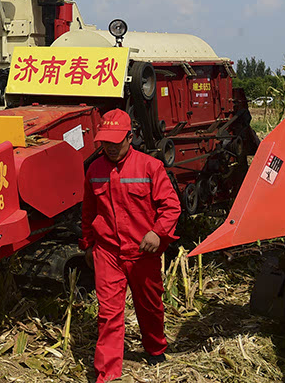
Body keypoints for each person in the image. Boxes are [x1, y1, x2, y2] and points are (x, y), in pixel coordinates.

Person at [81, 108, 181, 383]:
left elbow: (171, 206)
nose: (110, 148)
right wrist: (88, 245)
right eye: (106, 142)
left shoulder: (150, 166)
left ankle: (155, 348)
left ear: (130, 137)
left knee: (149, 305)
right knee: (109, 314)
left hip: (142, 251)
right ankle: (107, 373)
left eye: (116, 141)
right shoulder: (94, 169)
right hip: (107, 251)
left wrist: (158, 233)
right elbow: (88, 212)